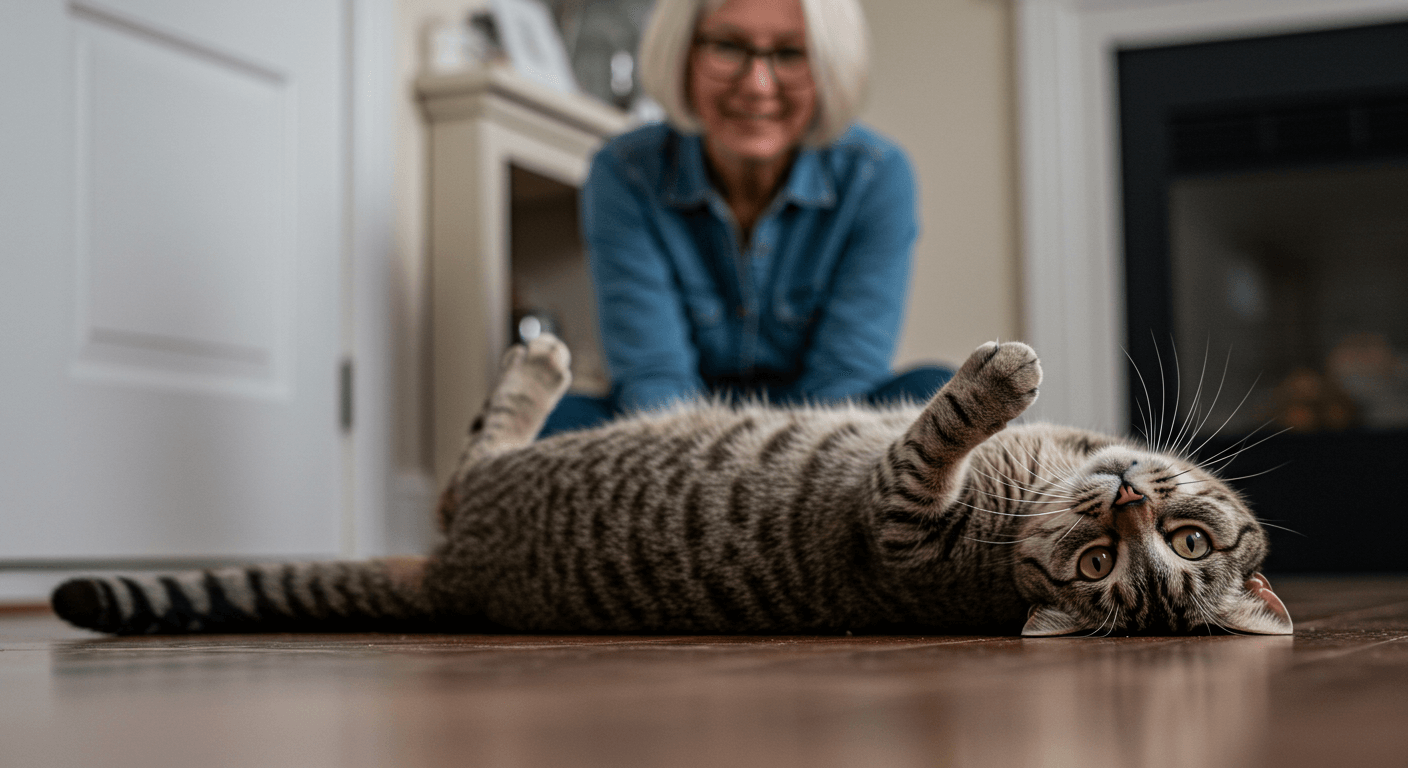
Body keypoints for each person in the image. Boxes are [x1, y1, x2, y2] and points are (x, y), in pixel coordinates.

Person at [541, 0, 950, 435]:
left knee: (940, 392)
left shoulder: (876, 175)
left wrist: (789, 484)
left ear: (828, 65)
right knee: (554, 422)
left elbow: (845, 379)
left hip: (823, 432)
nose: (757, 85)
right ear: (683, 54)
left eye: (791, 54)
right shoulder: (623, 172)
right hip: (675, 433)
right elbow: (652, 376)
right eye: (727, 47)